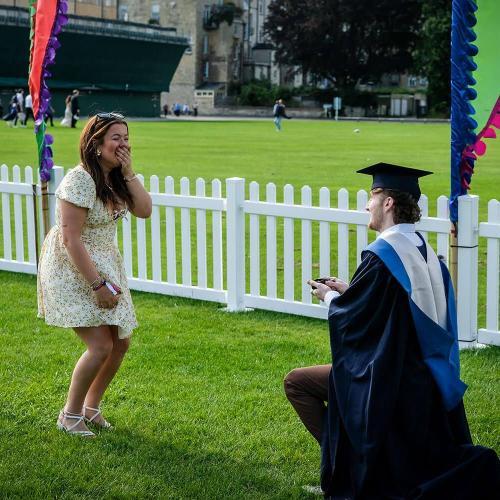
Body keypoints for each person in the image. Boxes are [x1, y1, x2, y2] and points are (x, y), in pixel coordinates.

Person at [285, 163, 500, 498]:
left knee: (297, 383)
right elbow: (395, 310)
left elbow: (357, 323)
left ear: (388, 203)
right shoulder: (426, 254)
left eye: (372, 197)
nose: (366, 206)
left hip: (387, 381)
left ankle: (346, 471)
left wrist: (330, 297)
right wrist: (351, 289)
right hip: (426, 377)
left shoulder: (382, 256)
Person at [37, 112, 152, 437]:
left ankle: (90, 407)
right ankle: (69, 415)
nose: (124, 144)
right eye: (116, 138)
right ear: (96, 143)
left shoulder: (116, 177)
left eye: (126, 138)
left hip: (105, 263)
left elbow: (144, 210)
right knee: (101, 345)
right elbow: (70, 238)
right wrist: (97, 284)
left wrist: (128, 172)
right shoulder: (80, 179)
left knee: (121, 342)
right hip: (74, 267)